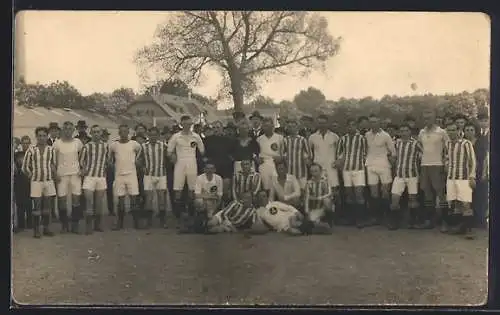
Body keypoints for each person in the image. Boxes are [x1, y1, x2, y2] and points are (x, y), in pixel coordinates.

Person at [167, 115, 206, 228]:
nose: (188, 126)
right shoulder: (176, 136)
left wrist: (196, 156)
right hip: (179, 163)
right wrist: (172, 156)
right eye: (186, 123)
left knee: (192, 190)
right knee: (178, 190)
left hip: (192, 163)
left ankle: (191, 216)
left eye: (190, 124)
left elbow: (202, 151)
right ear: (181, 124)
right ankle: (179, 217)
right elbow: (169, 151)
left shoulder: (196, 136)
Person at [21, 127, 56, 238]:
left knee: (47, 206)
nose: (41, 138)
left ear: (47, 136)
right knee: (37, 206)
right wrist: (31, 175)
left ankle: (46, 228)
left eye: (44, 135)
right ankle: (36, 230)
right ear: (36, 137)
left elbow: (54, 164)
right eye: (39, 135)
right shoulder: (31, 150)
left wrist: (54, 175)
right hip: (36, 182)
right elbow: (24, 167)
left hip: (48, 181)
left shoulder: (51, 150)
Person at [417, 109, 449, 229]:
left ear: (434, 118)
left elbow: (448, 148)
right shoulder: (421, 132)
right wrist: (422, 155)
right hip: (424, 166)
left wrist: (445, 162)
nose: (427, 120)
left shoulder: (442, 132)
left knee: (440, 194)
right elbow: (419, 145)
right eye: (425, 118)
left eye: (429, 117)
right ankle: (429, 221)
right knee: (427, 194)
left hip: (437, 165)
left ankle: (444, 222)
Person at [444, 122, 476, 239]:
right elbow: (447, 157)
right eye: (449, 130)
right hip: (451, 177)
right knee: (456, 203)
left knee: (466, 203)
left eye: (453, 130)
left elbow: (472, 160)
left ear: (458, 130)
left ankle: (469, 230)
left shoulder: (466, 143)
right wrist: (447, 164)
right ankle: (459, 228)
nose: (451, 132)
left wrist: (472, 176)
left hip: (464, 178)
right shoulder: (447, 143)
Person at [389, 124, 423, 230]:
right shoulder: (396, 143)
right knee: (394, 199)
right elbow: (391, 155)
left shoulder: (416, 144)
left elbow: (424, 155)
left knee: (413, 199)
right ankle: (395, 221)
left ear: (410, 132)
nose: (404, 133)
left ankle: (413, 221)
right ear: (399, 132)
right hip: (399, 175)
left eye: (406, 131)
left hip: (412, 175)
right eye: (402, 131)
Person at [336, 118, 368, 227]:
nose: (351, 127)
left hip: (358, 169)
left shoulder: (362, 139)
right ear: (347, 127)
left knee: (359, 194)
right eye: (349, 125)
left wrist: (363, 164)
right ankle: (351, 219)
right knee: (349, 195)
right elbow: (338, 155)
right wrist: (340, 166)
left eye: (353, 125)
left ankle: (361, 219)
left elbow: (366, 154)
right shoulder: (342, 139)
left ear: (356, 126)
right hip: (346, 170)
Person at [109, 124, 142, 230]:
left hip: (131, 175)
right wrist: (111, 164)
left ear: (128, 132)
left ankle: (136, 223)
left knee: (134, 199)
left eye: (125, 131)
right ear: (119, 133)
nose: (123, 134)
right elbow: (109, 158)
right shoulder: (114, 145)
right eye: (121, 131)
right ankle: (120, 223)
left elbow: (141, 153)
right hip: (119, 176)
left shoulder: (134, 144)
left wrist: (138, 161)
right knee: (121, 200)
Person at [364, 114, 396, 224]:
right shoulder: (366, 135)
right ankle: (375, 217)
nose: (373, 124)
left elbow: (393, 152)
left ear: (379, 122)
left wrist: (391, 162)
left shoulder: (386, 135)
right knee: (374, 193)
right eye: (371, 122)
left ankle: (387, 217)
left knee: (385, 192)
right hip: (371, 165)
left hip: (384, 166)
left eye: (375, 122)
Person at [53, 121, 84, 233]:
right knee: (62, 200)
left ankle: (75, 225)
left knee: (76, 200)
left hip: (75, 174)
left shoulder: (78, 142)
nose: (68, 130)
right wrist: (55, 174)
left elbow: (84, 157)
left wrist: (83, 169)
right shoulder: (57, 143)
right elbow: (52, 161)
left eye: (70, 128)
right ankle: (64, 225)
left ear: (73, 130)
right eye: (65, 128)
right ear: (62, 129)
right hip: (61, 175)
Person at [308, 114, 340, 215]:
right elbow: (309, 153)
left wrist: (338, 161)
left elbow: (340, 152)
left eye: (324, 123)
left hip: (331, 167)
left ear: (327, 123)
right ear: (317, 123)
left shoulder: (334, 137)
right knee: (319, 190)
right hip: (318, 168)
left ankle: (336, 214)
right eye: (320, 123)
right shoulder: (312, 137)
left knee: (334, 191)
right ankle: (322, 214)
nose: (322, 125)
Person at [80, 125, 109, 234]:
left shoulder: (106, 146)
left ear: (101, 133)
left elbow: (107, 160)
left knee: (99, 203)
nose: (96, 134)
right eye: (94, 132)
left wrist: (104, 170)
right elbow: (81, 161)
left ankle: (97, 225)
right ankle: (88, 227)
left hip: (101, 177)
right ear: (91, 133)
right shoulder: (87, 146)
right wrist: (85, 169)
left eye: (98, 132)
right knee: (89, 202)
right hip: (89, 178)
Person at [139, 127, 170, 229]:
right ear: (148, 135)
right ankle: (149, 222)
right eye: (151, 135)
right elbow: (138, 159)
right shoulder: (143, 146)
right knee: (149, 199)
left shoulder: (163, 146)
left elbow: (169, 157)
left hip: (161, 175)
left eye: (155, 135)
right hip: (149, 175)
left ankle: (163, 221)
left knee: (162, 199)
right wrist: (143, 167)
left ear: (158, 136)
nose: (153, 137)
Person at [204, 121, 234, 205]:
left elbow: (233, 153)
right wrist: (206, 160)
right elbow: (203, 153)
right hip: (212, 168)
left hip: (225, 167)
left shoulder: (229, 140)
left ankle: (224, 205)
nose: (216, 129)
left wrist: (229, 159)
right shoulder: (207, 140)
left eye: (217, 127)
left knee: (226, 186)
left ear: (222, 128)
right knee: (213, 189)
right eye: (214, 128)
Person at [192, 160, 224, 233]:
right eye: (207, 168)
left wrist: (214, 209)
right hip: (203, 201)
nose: (209, 170)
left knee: (211, 220)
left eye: (211, 168)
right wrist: (210, 196)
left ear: (214, 170)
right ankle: (201, 218)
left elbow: (219, 197)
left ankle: (208, 220)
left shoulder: (218, 179)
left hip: (213, 203)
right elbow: (196, 195)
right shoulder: (200, 178)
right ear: (204, 169)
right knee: (198, 201)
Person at [282, 119, 311, 191]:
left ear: (297, 127)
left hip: (301, 171)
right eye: (289, 127)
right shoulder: (285, 140)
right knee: (291, 192)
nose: (291, 129)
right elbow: (282, 153)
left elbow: (309, 153)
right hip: (289, 171)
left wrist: (306, 160)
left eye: (293, 127)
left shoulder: (302, 140)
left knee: (303, 191)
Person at [256, 117, 285, 190]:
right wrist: (257, 158)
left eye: (269, 126)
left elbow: (284, 152)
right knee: (266, 186)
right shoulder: (259, 139)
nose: (267, 128)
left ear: (273, 126)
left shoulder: (280, 138)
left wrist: (281, 157)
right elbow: (255, 153)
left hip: (276, 164)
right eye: (265, 126)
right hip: (264, 163)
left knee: (277, 186)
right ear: (262, 127)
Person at [304, 163, 333, 233]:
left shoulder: (325, 181)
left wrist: (319, 198)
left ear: (320, 171)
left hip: (323, 206)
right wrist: (306, 211)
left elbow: (329, 193)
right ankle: (323, 226)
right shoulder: (309, 183)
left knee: (327, 201)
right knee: (311, 221)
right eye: (312, 171)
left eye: (316, 171)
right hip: (314, 208)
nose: (314, 173)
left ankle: (329, 221)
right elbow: (306, 198)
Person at [474, 114, 489, 228]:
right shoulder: (478, 136)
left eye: (485, 120)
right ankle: (478, 218)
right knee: (478, 193)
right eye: (481, 121)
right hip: (478, 168)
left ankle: (484, 220)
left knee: (485, 194)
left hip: (487, 166)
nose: (483, 123)